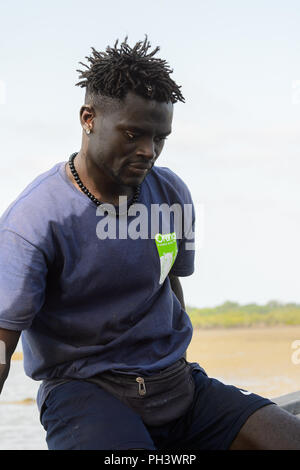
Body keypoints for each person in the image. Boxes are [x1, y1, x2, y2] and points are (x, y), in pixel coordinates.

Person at [0, 36, 300, 451]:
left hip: (175, 385)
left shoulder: (171, 192)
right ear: (88, 118)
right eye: (133, 134)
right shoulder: (34, 220)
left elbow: (170, 285)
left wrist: (172, 359)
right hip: (86, 391)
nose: (149, 151)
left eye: (160, 137)